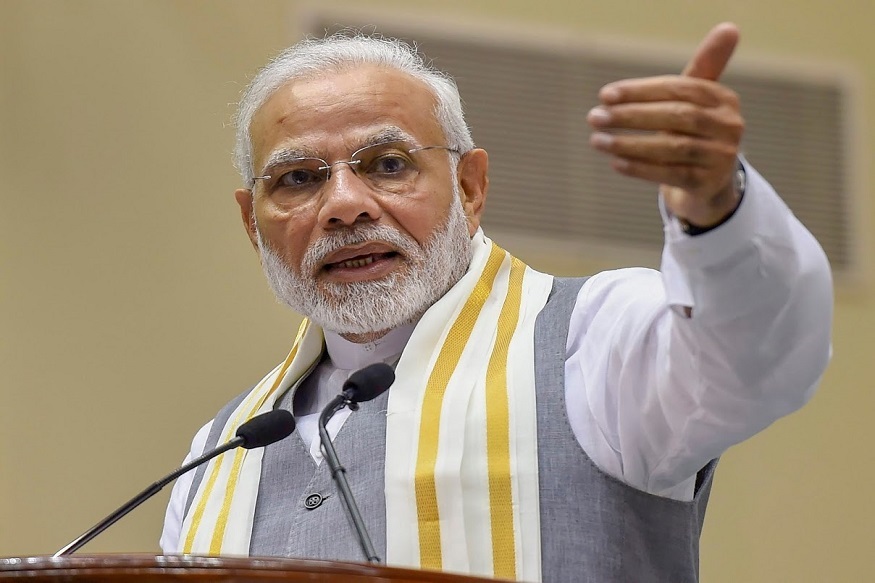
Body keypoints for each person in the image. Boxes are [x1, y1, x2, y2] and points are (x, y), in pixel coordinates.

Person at [160, 23, 833, 583]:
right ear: (252, 223)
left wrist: (717, 208)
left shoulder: (590, 339)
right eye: (298, 178)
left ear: (470, 187)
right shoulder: (221, 448)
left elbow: (758, 355)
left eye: (388, 164)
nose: (343, 205)